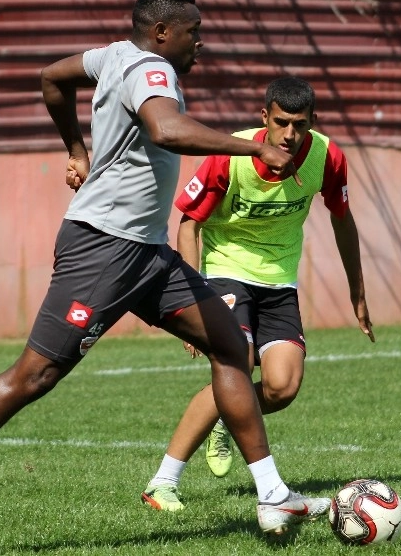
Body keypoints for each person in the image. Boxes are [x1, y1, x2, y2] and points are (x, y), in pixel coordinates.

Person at [0, 0, 330, 556]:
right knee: (33, 377)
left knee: (229, 346)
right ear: (163, 32)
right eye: (194, 32)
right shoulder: (152, 70)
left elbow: (51, 78)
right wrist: (253, 147)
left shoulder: (112, 56)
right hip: (103, 248)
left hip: (145, 252)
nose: (201, 42)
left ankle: (273, 493)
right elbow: (164, 128)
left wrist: (75, 147)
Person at [141, 76, 374, 512]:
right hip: (225, 272)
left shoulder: (327, 157)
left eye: (299, 124)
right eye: (281, 122)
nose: (289, 134)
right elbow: (189, 223)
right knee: (237, 361)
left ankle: (228, 422)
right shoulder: (232, 154)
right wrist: (192, 297)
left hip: (279, 281)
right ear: (263, 117)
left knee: (283, 386)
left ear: (312, 123)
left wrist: (357, 292)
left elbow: (343, 219)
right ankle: (162, 482)